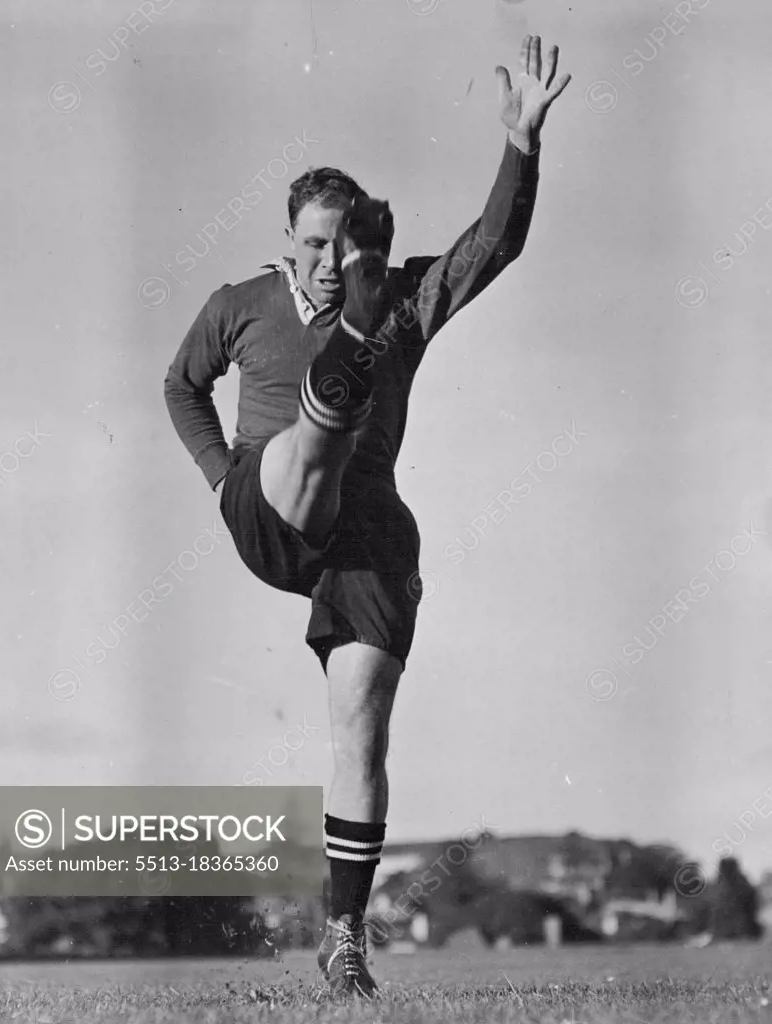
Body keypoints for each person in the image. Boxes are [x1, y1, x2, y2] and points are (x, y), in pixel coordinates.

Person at [164, 35, 570, 998]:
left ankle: (343, 936)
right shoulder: (242, 304)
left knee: (360, 724)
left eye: (347, 247)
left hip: (367, 531)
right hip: (271, 496)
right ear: (292, 238)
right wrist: (221, 474)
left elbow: (495, 242)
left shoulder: (409, 295)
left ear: (364, 242)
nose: (329, 257)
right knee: (313, 450)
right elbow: (183, 384)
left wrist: (521, 143)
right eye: (315, 245)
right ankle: (342, 361)